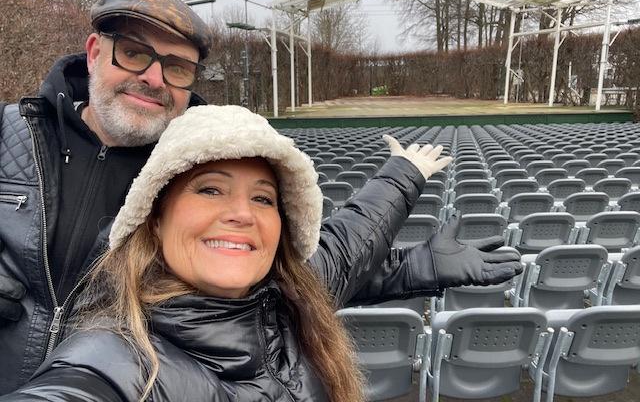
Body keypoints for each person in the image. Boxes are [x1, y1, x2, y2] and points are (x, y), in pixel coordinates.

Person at [0, 0, 521, 394]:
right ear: (94, 52)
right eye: (134, 53)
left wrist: (407, 270)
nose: (154, 78)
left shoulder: (210, 155)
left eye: (177, 66)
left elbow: (274, 272)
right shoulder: (9, 138)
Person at [0, 105, 523, 402]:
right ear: (154, 218)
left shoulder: (287, 298)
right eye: (209, 189)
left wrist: (414, 264)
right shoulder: (113, 360)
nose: (242, 213)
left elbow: (346, 244)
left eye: (263, 198)